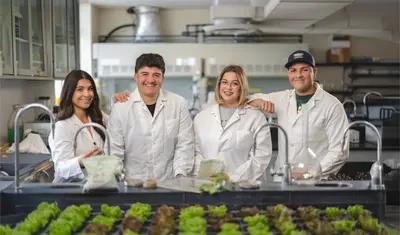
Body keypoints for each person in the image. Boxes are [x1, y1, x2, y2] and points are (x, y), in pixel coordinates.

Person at [248, 50, 349, 179]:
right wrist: (258, 101)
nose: (298, 75)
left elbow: (340, 151)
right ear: (288, 74)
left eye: (304, 70)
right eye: (293, 70)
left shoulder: (332, 105)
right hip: (283, 180)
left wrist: (310, 174)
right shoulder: (283, 98)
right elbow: (245, 100)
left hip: (315, 183)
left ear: (314, 72)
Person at [105, 53, 194, 182]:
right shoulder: (121, 108)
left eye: (156, 75)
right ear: (136, 77)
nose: (150, 80)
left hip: (169, 183)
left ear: (162, 78)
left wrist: (180, 176)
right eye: (145, 74)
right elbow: (114, 151)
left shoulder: (178, 103)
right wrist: (118, 181)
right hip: (133, 184)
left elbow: (185, 144)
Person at [191, 65, 272, 182]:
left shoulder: (256, 117)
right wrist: (207, 173)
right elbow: (194, 151)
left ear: (241, 88)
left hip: (242, 186)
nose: (228, 87)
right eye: (224, 82)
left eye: (235, 83)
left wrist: (234, 178)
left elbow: (261, 156)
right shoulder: (201, 117)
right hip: (208, 184)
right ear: (219, 86)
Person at [49, 70, 107, 183]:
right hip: (70, 192)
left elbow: (123, 124)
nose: (87, 94)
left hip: (95, 188)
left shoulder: (99, 117)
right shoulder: (62, 127)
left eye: (90, 89)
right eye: (80, 89)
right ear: (69, 92)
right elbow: (60, 169)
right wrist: (80, 161)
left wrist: (118, 100)